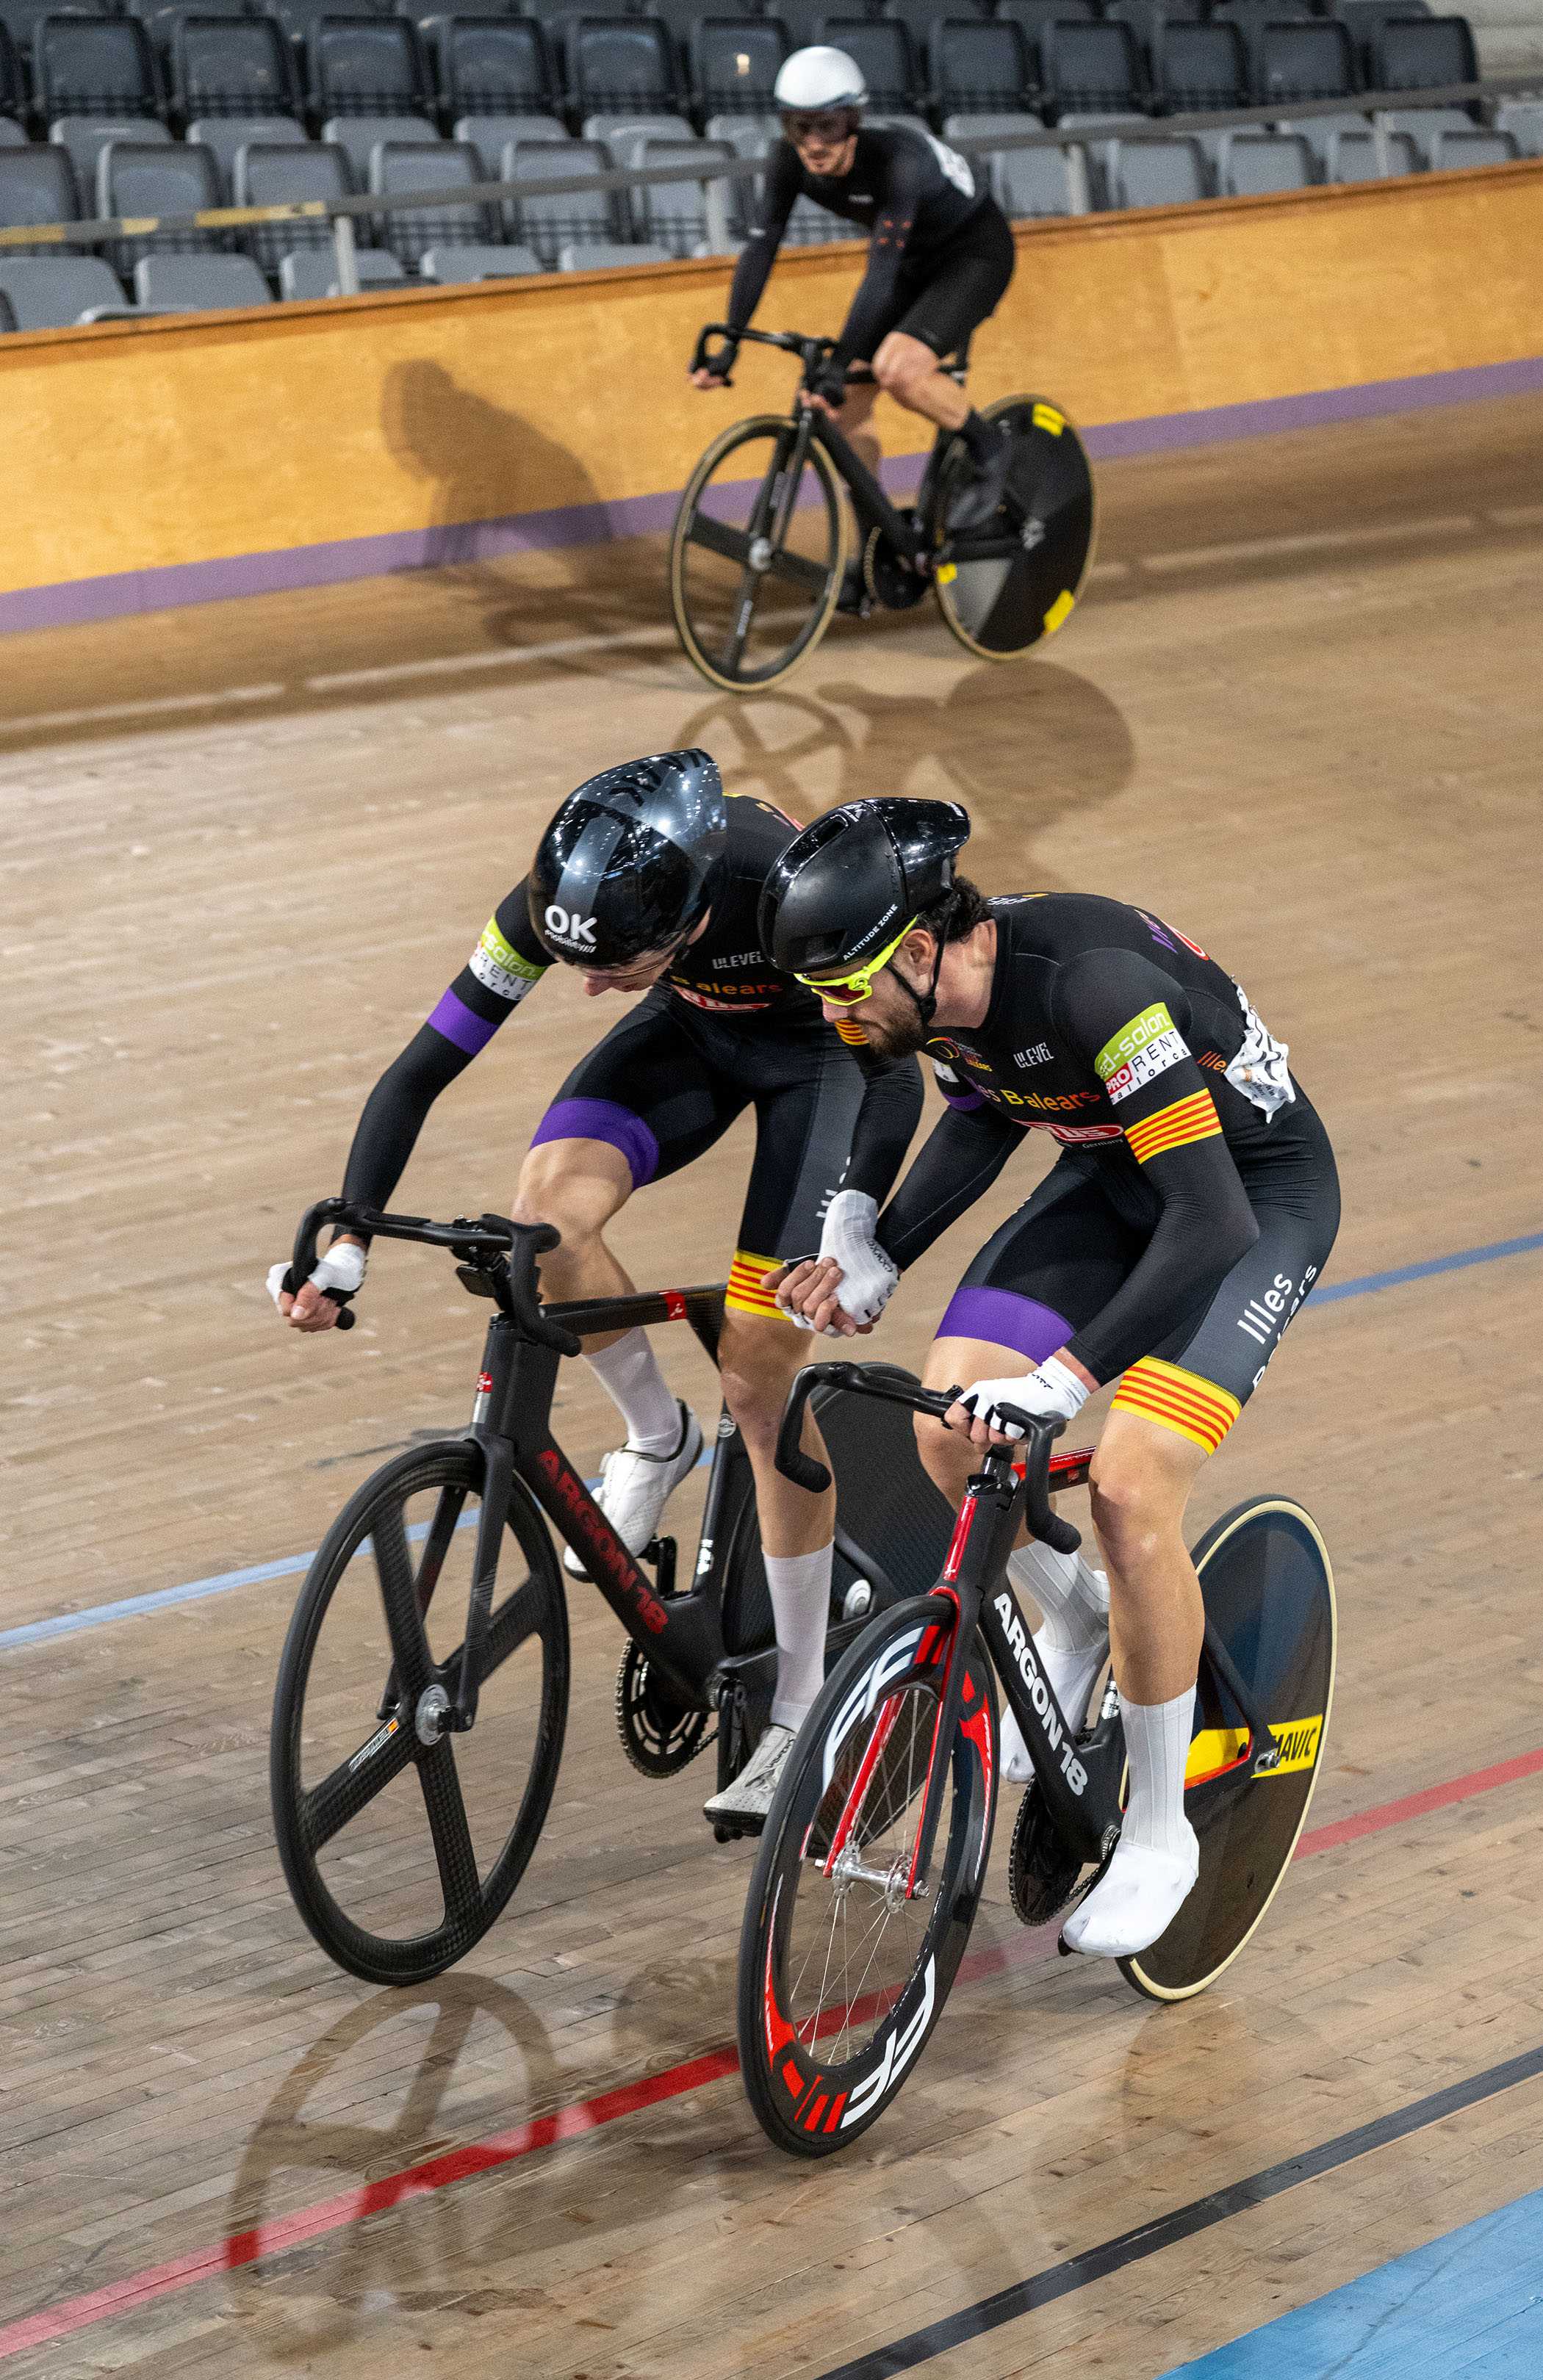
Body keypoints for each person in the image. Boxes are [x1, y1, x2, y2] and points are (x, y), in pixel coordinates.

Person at [269, 753, 922, 1827]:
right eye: (578, 958)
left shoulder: (780, 886)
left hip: (821, 1066)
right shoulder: (565, 899)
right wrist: (349, 1235)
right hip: (694, 1034)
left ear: (693, 916)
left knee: (759, 1382)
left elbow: (895, 1071)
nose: (583, 986)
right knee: (545, 1224)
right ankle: (658, 1436)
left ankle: (800, 1708)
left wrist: (857, 1228)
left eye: (618, 966)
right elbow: (422, 1067)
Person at [758, 798, 1340, 1959]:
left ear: (919, 950)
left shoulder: (1092, 988)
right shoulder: (942, 998)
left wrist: (1067, 1380)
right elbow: (987, 1110)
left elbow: (1211, 1221)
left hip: (1251, 1203)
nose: (833, 1015)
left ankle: (1160, 1834)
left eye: (846, 987)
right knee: (949, 1426)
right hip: (1116, 1178)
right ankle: (1075, 1616)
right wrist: (879, 1245)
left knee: (1127, 1488)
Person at [690, 46, 1020, 602]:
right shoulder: (788, 159)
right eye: (799, 127)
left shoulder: (899, 161)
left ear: (853, 121)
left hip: (973, 257)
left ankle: (990, 447)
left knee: (898, 371)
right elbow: (762, 246)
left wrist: (840, 363)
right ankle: (878, 553)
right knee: (839, 412)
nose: (813, 143)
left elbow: (880, 273)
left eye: (827, 126)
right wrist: (732, 339)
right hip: (914, 262)